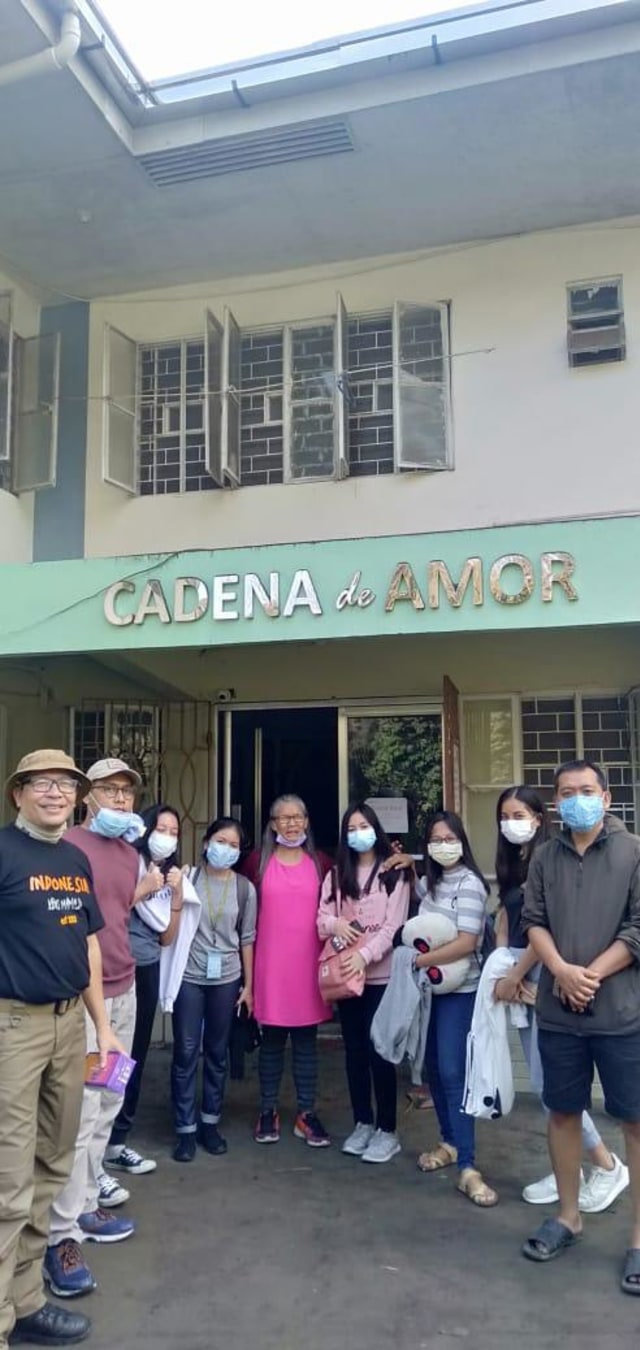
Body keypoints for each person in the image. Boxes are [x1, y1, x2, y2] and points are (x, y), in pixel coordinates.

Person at [0, 749, 123, 1350]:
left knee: (52, 1165)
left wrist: (102, 1027)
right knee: (7, 1178)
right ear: (18, 793)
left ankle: (25, 1304)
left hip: (69, 1025)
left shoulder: (75, 860)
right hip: (13, 1028)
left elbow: (90, 949)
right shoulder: (2, 851)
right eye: (42, 784)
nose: (55, 794)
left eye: (65, 785)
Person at [521, 760, 640, 1292]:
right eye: (567, 793)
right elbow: (533, 922)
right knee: (564, 1113)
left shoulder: (634, 851)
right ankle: (568, 1216)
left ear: (607, 797)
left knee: (634, 1123)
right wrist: (561, 972)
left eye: (586, 790)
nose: (577, 800)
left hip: (620, 1012)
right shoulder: (545, 855)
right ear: (557, 802)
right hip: (558, 1012)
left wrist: (588, 974)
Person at [45, 758, 154, 1300]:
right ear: (87, 797)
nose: (118, 799)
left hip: (125, 991)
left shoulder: (130, 854)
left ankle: (86, 1206)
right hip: (86, 1003)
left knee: (108, 1103)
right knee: (80, 1113)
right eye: (108, 790)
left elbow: (113, 913)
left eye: (126, 792)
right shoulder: (69, 848)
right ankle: (60, 1234)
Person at [494, 785, 628, 1212]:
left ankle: (606, 1165)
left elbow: (542, 923)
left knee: (550, 1084)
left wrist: (519, 973)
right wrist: (502, 959)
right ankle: (569, 1166)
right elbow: (511, 914)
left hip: (545, 975)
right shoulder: (518, 860)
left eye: (520, 813)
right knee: (548, 1085)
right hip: (526, 971)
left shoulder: (551, 857)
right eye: (505, 815)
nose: (512, 822)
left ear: (539, 815)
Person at [317, 803, 411, 1162]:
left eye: (364, 826)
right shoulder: (337, 874)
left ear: (376, 829)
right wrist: (334, 926)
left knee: (380, 1052)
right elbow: (321, 917)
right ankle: (363, 1123)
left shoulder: (393, 873)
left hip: (379, 976)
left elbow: (392, 927)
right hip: (347, 978)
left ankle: (387, 1130)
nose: (358, 833)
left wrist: (365, 955)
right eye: (351, 828)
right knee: (354, 1051)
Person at [414, 811, 498, 1206]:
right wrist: (402, 862)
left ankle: (468, 1164)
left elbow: (467, 942)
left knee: (453, 1071)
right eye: (435, 838)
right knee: (433, 1067)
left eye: (449, 837)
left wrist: (418, 962)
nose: (442, 844)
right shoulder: (431, 884)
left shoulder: (470, 884)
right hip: (432, 992)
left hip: (462, 991)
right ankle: (448, 1143)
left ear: (461, 841)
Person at [243, 794, 332, 1147]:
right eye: (284, 818)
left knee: (307, 1042)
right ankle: (268, 1110)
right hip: (269, 965)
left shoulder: (321, 862)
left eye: (298, 817)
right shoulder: (257, 863)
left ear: (307, 822)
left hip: (308, 963)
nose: (291, 823)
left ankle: (306, 1113)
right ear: (272, 824)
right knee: (273, 1042)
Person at [104, 805, 184, 1196]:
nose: (166, 835)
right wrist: (143, 889)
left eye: (174, 830)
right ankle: (96, 1146)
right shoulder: (127, 861)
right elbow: (109, 912)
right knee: (108, 1056)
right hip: (116, 969)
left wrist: (175, 895)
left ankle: (118, 1142)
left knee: (134, 1056)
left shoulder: (168, 877)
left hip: (148, 967)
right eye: (161, 827)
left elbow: (167, 938)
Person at [169, 816, 256, 1162]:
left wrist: (249, 985)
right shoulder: (188, 878)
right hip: (189, 977)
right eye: (221, 842)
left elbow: (247, 938)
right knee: (186, 1052)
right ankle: (185, 1129)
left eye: (234, 845)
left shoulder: (244, 888)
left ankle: (210, 1122)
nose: (226, 850)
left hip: (227, 978)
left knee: (218, 1052)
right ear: (206, 843)